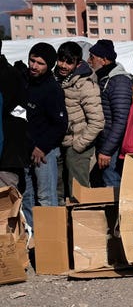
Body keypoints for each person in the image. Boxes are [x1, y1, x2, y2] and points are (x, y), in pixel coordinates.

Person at [23, 42, 68, 227]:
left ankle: (52, 241)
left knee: (46, 197)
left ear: (48, 65)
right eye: (32, 61)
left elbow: (60, 124)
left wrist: (42, 147)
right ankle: (33, 240)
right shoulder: (25, 82)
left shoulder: (52, 89)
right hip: (25, 149)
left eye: (40, 63)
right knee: (27, 196)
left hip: (44, 152)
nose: (34, 66)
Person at [54, 41, 104, 201]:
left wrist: (78, 146)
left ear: (77, 64)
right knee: (60, 191)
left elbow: (97, 121)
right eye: (61, 60)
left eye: (69, 62)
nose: (63, 65)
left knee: (78, 194)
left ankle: (84, 225)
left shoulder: (85, 84)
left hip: (78, 146)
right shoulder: (57, 79)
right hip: (60, 143)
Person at [88, 39, 133, 187]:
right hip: (106, 143)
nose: (89, 61)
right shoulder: (103, 78)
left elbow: (121, 120)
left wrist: (107, 150)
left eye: (92, 58)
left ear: (104, 60)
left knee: (112, 185)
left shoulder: (118, 81)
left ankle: (117, 211)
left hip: (114, 146)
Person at [0, 39, 29, 189]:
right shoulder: (13, 75)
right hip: (10, 153)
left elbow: (18, 115)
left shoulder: (9, 77)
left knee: (6, 206)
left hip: (7, 157)